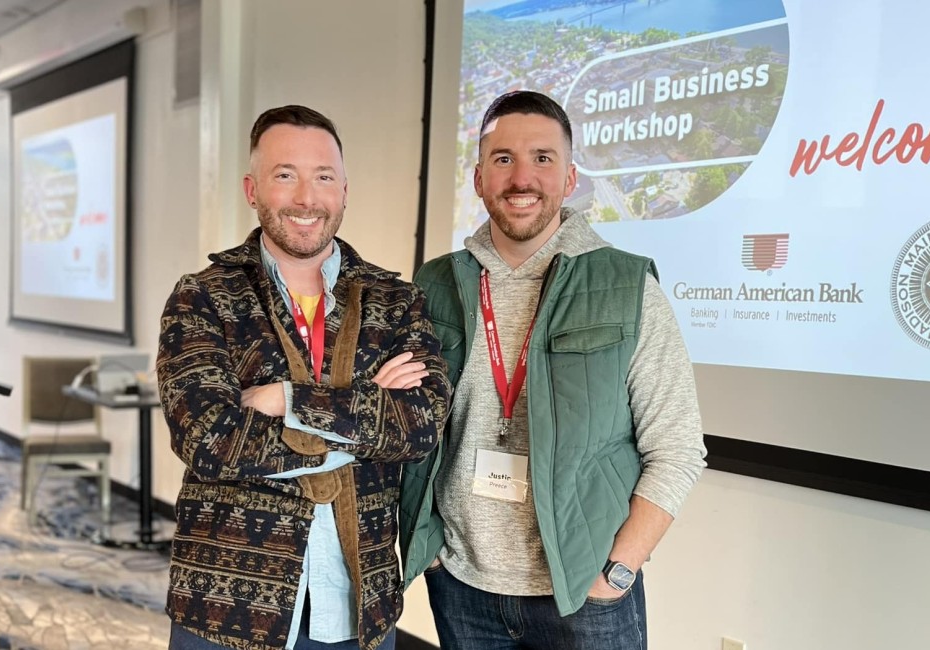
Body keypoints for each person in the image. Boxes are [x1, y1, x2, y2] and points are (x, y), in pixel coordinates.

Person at [399, 90, 707, 649]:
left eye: (543, 158)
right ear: (478, 178)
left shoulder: (627, 286)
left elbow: (679, 447)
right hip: (461, 585)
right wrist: (434, 552)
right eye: (503, 159)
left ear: (569, 179)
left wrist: (618, 570)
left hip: (583, 597)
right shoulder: (433, 285)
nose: (523, 178)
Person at [157, 105, 451, 650]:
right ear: (252, 188)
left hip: (358, 605)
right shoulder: (203, 296)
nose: (306, 199)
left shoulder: (395, 300)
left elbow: (421, 425)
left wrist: (285, 399)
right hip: (231, 603)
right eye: (285, 175)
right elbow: (207, 440)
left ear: (344, 190)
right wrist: (361, 424)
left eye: (323, 178)